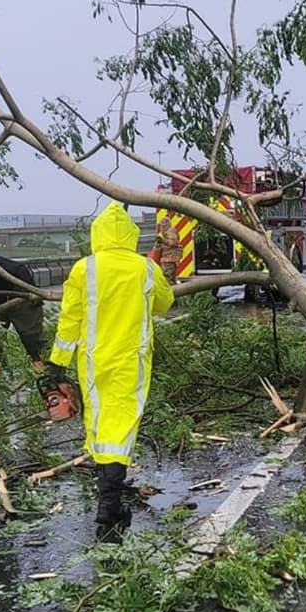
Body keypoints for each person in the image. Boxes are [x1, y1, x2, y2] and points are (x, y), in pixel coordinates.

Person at [45, 201, 175, 542]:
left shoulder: (84, 268)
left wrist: (57, 362)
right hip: (132, 360)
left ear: (98, 234)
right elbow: (164, 304)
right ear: (130, 235)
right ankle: (110, 503)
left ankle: (108, 497)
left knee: (101, 424)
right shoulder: (145, 269)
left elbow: (69, 319)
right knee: (121, 426)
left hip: (93, 361)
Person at [151, 216, 182, 282]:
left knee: (167, 277)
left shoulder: (170, 231)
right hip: (167, 257)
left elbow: (172, 243)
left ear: (168, 223)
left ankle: (170, 287)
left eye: (164, 223)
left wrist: (162, 240)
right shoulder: (166, 232)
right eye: (161, 224)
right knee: (169, 277)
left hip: (170, 257)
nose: (162, 225)